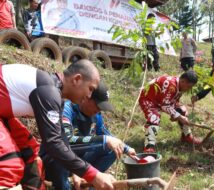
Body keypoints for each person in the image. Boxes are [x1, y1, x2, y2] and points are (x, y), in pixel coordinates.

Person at [0, 59, 117, 189]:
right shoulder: (48, 91)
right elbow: (53, 144)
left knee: (32, 156)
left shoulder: (55, 95)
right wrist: (93, 175)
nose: (89, 95)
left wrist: (78, 171)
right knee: (9, 164)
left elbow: (62, 140)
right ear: (77, 79)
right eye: (90, 89)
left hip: (4, 114)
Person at [41, 82, 136, 190]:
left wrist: (126, 148)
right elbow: (67, 140)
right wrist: (105, 140)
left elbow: (106, 135)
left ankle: (90, 184)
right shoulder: (67, 110)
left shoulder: (96, 116)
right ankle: (64, 186)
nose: (99, 110)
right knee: (104, 142)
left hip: (77, 161)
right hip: (56, 159)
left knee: (111, 149)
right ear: (87, 98)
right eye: (97, 105)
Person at [139, 70, 201, 153]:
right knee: (154, 117)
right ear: (183, 81)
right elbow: (165, 105)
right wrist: (178, 116)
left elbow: (173, 101)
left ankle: (187, 136)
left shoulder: (180, 86)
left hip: (161, 101)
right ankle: (149, 146)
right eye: (189, 86)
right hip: (148, 99)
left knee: (182, 110)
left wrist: (176, 114)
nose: (189, 89)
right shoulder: (171, 85)